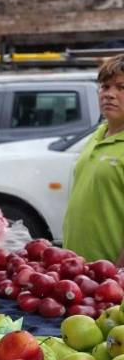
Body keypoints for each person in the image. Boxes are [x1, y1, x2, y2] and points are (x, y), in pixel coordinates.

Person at [63, 53, 124, 264]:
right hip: (79, 274)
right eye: (105, 87)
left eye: (121, 88)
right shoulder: (98, 134)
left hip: (109, 281)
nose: (109, 94)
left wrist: (117, 276)